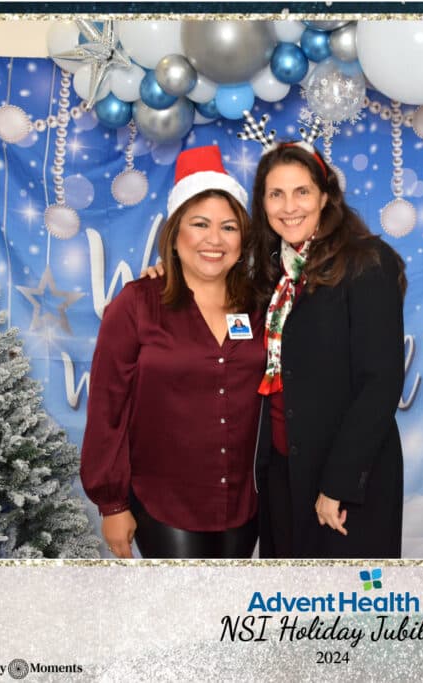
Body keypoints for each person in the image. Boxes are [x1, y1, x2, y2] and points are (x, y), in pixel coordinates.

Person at [80, 145, 266, 559]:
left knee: (226, 617)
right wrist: (112, 504)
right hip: (163, 504)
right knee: (181, 618)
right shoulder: (137, 304)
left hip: (243, 504)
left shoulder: (259, 307)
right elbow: (108, 407)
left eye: (229, 227)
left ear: (243, 239)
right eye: (200, 224)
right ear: (176, 234)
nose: (214, 240)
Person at [250, 143, 407, 559]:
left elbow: (381, 382)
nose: (289, 207)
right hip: (282, 471)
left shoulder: (367, 262)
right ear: (262, 203)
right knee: (289, 611)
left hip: (345, 476)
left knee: (348, 611)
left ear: (324, 196)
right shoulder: (271, 274)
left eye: (301, 192)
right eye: (276, 194)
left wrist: (337, 484)